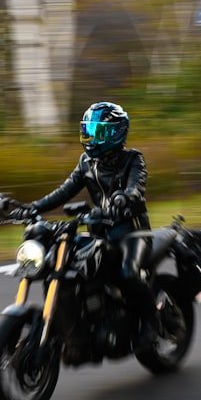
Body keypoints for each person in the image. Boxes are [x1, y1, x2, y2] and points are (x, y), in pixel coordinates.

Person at [13, 101, 158, 353]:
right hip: (100, 232)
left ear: (115, 133)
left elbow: (136, 187)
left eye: (98, 131)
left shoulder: (133, 160)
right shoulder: (87, 162)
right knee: (69, 267)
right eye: (88, 130)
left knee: (128, 274)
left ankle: (151, 323)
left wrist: (124, 198)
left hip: (132, 233)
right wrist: (32, 208)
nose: (91, 137)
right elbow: (63, 192)